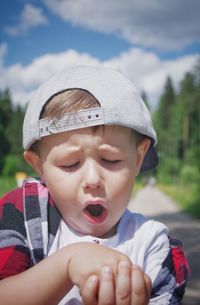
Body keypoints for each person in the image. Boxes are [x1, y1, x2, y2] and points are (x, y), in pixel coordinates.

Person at [0, 66, 189, 305]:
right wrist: (68, 261)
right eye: (70, 164)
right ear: (39, 166)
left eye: (111, 160)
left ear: (138, 158)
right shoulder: (25, 214)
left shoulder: (154, 246)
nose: (92, 180)